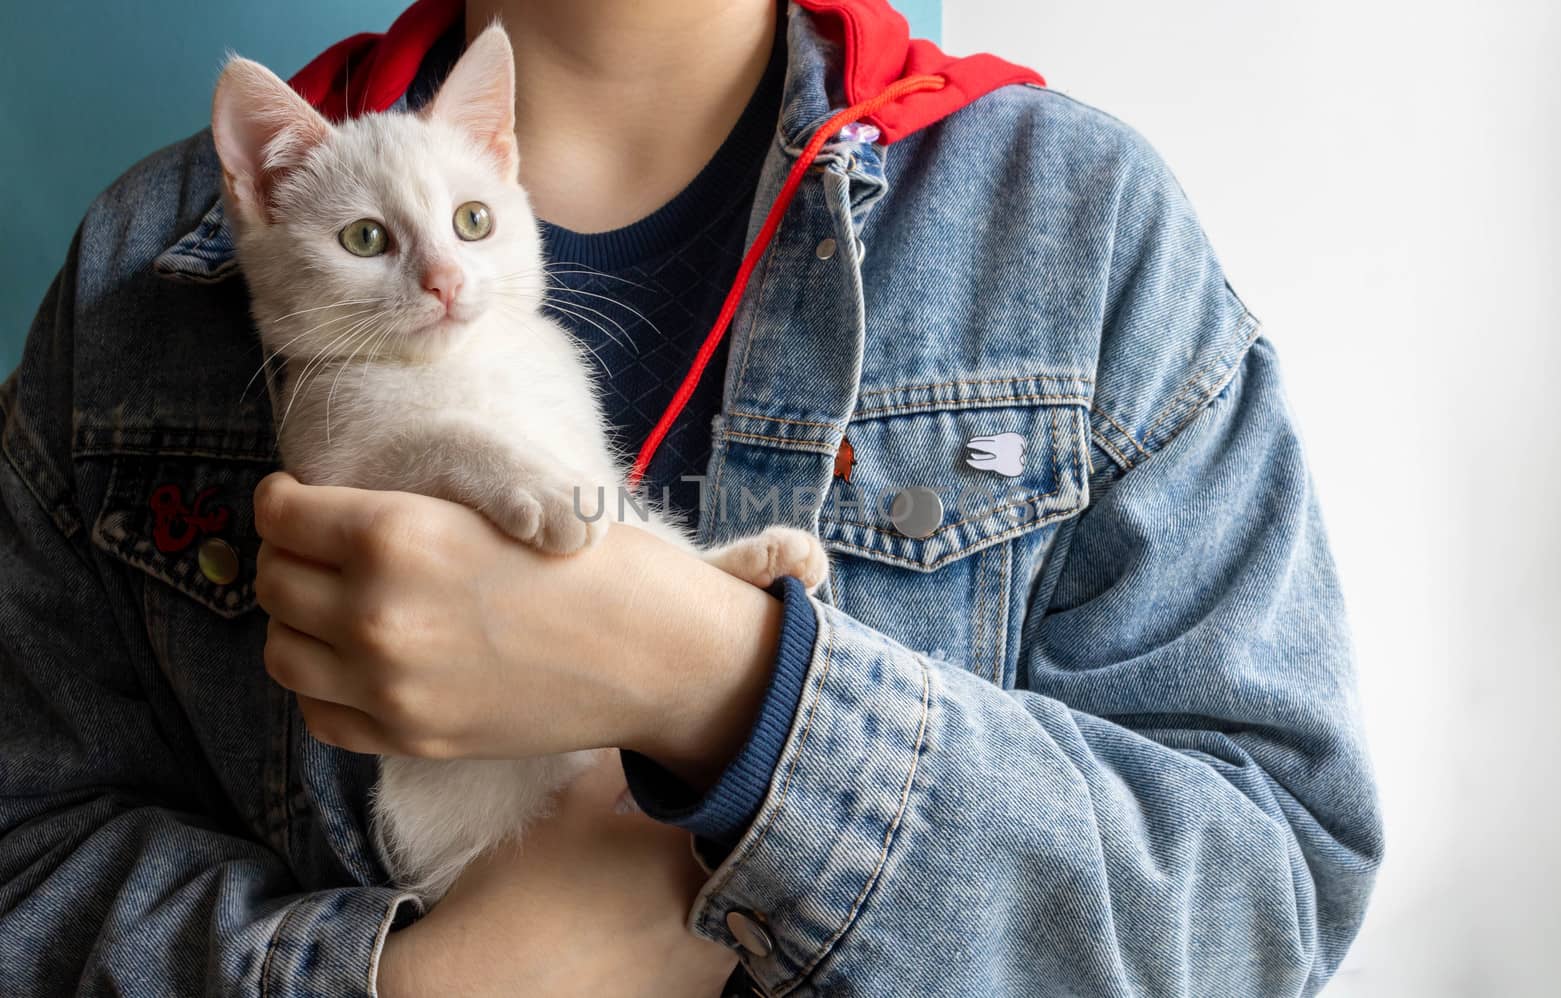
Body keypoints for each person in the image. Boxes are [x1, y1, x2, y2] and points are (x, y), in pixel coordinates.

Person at [0, 0, 1383, 994]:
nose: (434, 270)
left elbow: (1267, 898)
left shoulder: (1075, 221)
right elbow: (25, 858)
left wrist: (728, 682)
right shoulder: (150, 265)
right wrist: (419, 983)